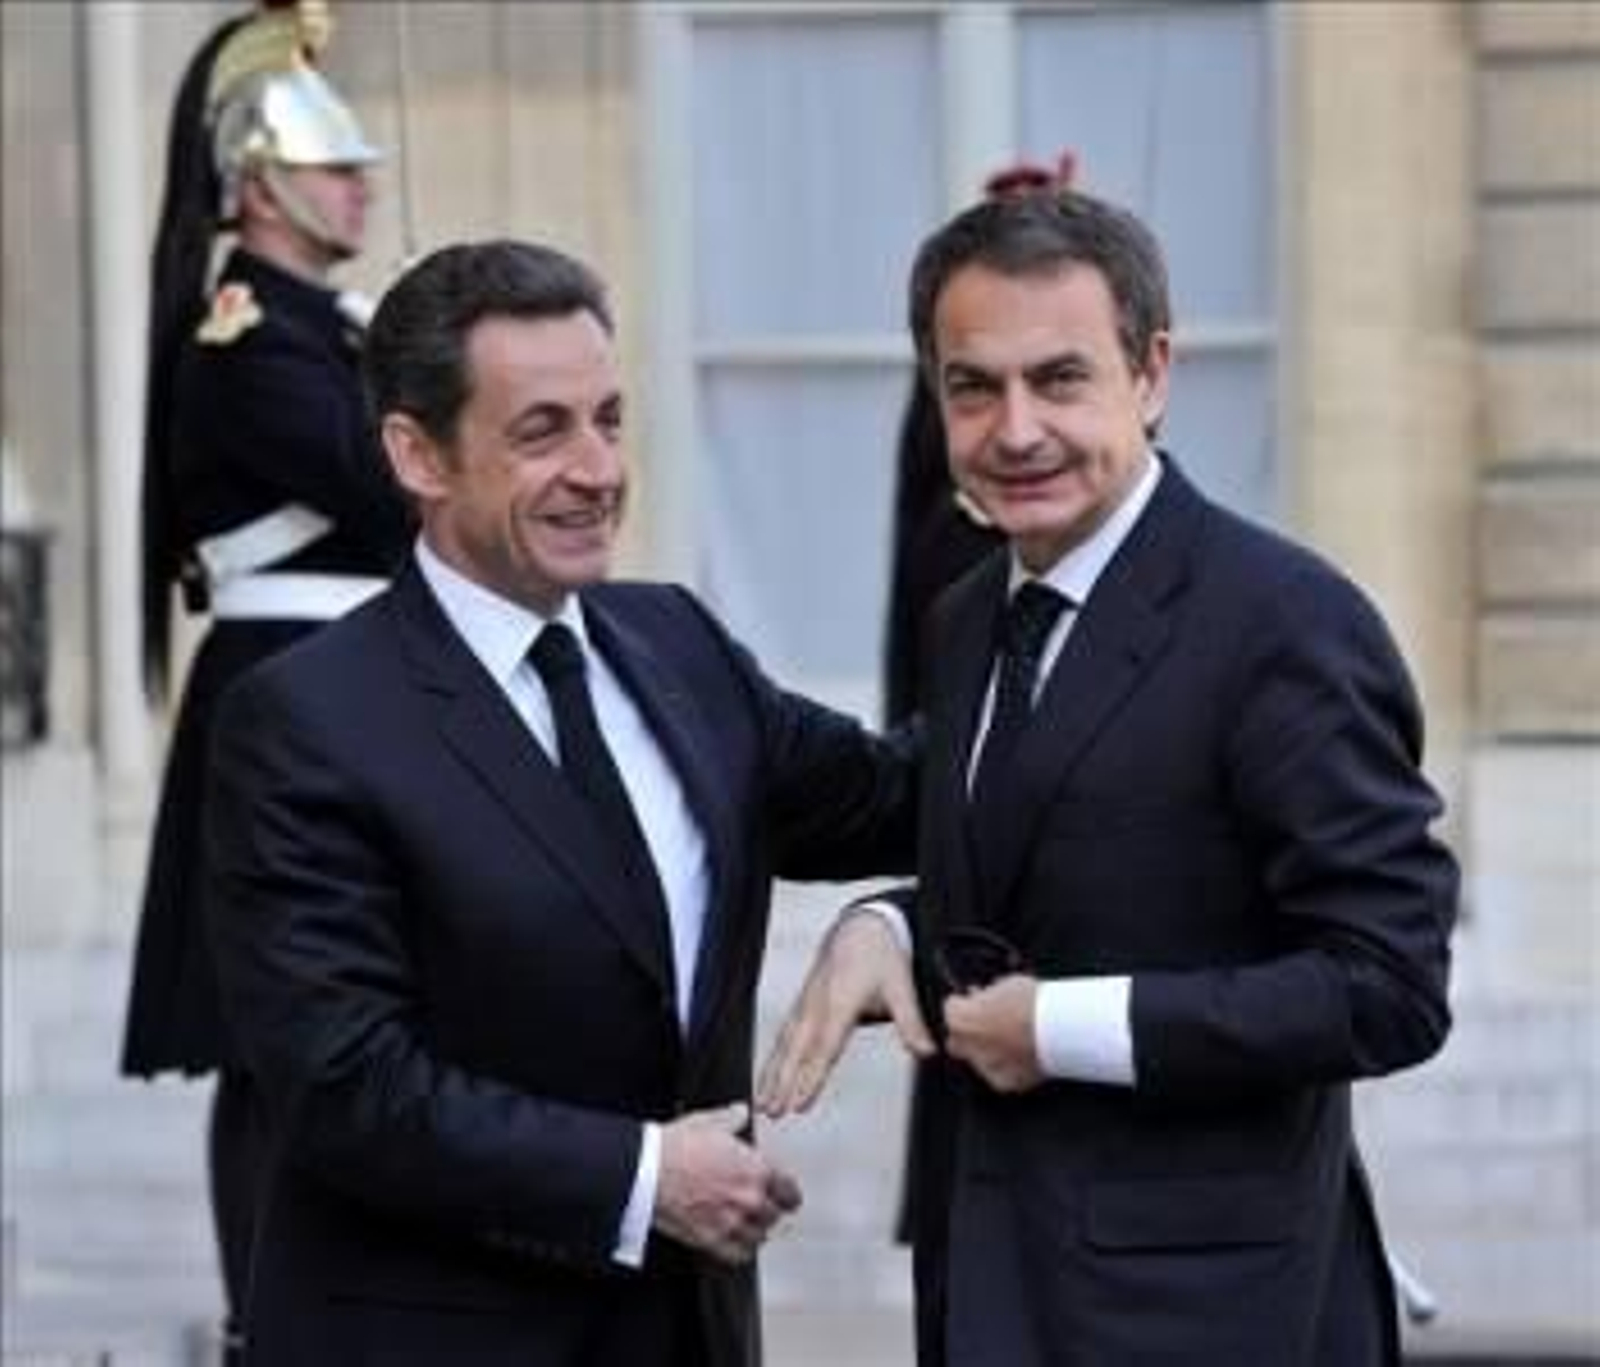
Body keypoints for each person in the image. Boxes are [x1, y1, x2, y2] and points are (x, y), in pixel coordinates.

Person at [759, 185, 1458, 1366]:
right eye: (971, 387)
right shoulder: (974, 611)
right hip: (992, 1289)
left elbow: (1387, 981)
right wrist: (892, 917)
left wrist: (1060, 1027)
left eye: (1060, 377)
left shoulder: (1283, 623)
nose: (1014, 428)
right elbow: (1065, 852)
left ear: (1152, 372)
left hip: (1214, 1317)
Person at [202, 239, 918, 1366]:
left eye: (610, 418)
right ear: (417, 455)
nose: (598, 469)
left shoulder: (679, 644)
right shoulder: (304, 720)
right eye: (543, 431)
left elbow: (909, 794)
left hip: (690, 1336)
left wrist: (893, 921)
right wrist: (642, 1176)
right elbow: (346, 1085)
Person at [119, 2, 411, 1351]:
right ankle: (270, 1312)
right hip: (286, 679)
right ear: (259, 186)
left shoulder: (336, 329)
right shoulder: (250, 340)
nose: (359, 187)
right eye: (332, 168)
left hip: (356, 674)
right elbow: (384, 485)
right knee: (269, 1033)